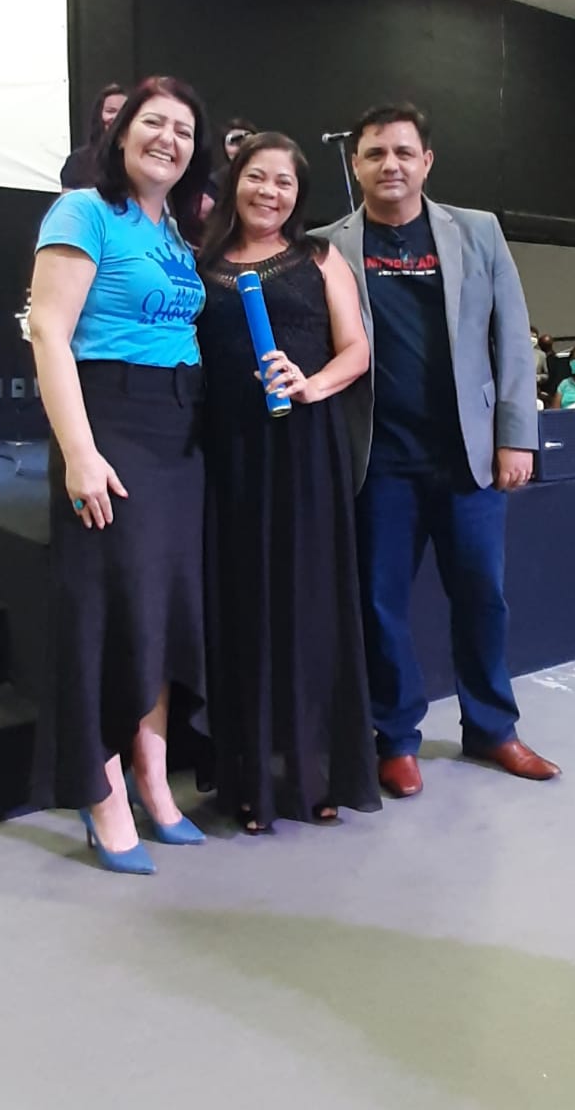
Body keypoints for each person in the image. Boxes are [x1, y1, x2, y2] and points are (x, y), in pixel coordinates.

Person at [312, 102, 559, 799]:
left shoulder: (477, 232)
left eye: (402, 152)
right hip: (376, 462)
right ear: (355, 164)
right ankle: (395, 738)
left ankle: (492, 729)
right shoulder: (325, 246)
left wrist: (516, 436)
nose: (388, 164)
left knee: (482, 598)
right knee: (381, 606)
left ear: (426, 161)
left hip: (467, 460)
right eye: (373, 153)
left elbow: (512, 338)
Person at [28, 76, 212, 875]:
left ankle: (153, 777)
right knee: (107, 611)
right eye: (153, 122)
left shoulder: (175, 231)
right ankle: (99, 789)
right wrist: (79, 451)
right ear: (121, 133)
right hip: (111, 422)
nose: (168, 138)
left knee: (162, 611)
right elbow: (48, 331)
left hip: (179, 433)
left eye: (183, 129)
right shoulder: (82, 210)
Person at [196, 132, 380, 832]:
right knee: (240, 608)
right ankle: (247, 779)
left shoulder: (320, 257)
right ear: (233, 181)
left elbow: (356, 350)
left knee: (308, 603)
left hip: (304, 450)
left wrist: (311, 386)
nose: (268, 192)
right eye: (256, 176)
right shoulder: (201, 266)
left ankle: (312, 773)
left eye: (284, 181)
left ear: (299, 195)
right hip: (227, 456)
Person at [59, 83, 127, 190]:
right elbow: (68, 199)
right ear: (99, 115)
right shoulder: (78, 161)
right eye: (110, 111)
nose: (117, 117)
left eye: (123, 112)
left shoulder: (138, 161)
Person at [532, 326, 548, 392]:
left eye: (535, 337)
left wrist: (539, 377)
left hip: (535, 389)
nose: (533, 339)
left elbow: (546, 374)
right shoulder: (518, 353)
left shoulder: (541, 354)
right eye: (530, 336)